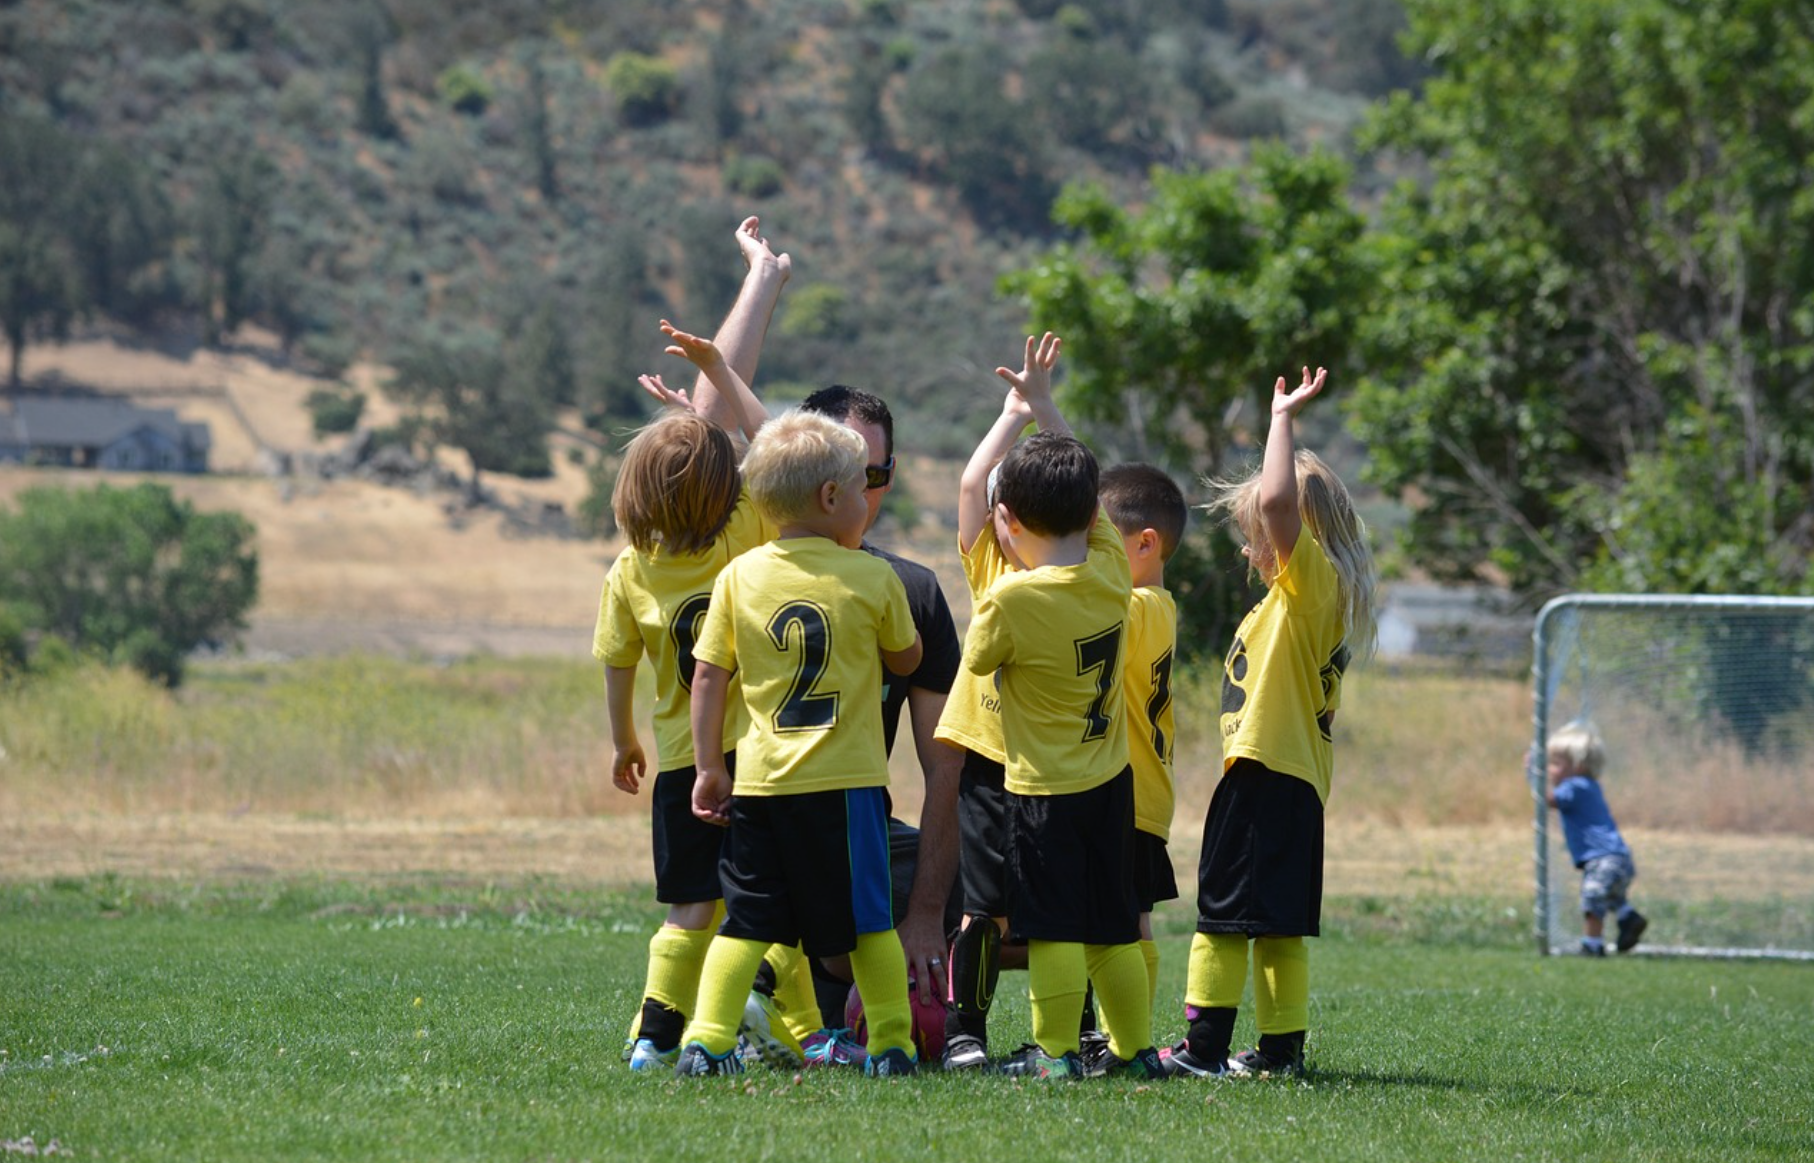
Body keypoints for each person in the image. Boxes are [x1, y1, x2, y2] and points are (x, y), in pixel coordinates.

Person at [675, 409, 926, 1077]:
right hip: (846, 788)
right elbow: (908, 658)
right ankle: (892, 1044)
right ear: (832, 497)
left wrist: (708, 767)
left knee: (747, 922)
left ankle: (707, 1041)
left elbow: (709, 675)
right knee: (869, 921)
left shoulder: (739, 576)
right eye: (863, 485)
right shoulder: (871, 577)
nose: (868, 499)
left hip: (762, 786)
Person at [1165, 367, 1378, 1080]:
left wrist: (1280, 417)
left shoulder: (1308, 585)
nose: (1249, 548)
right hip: (1292, 783)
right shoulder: (1297, 602)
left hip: (1265, 776)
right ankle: (1280, 1053)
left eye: (1255, 535)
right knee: (1279, 924)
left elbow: (1281, 499)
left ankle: (1201, 1051)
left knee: (1221, 917)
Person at [959, 333, 1163, 1081]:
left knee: (1051, 930)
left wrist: (1005, 549)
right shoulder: (1112, 572)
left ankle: (1053, 1056)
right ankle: (1134, 1051)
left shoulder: (1009, 599)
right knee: (1112, 928)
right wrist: (1046, 407)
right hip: (1110, 785)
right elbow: (1091, 495)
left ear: (1007, 519)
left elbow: (979, 661)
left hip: (1043, 793)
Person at [593, 324, 767, 1073]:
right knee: (765, 898)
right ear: (727, 491)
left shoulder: (630, 570)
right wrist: (720, 375)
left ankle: (653, 1036)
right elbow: (772, 441)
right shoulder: (744, 532)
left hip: (678, 763)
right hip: (753, 755)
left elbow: (616, 661)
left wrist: (622, 740)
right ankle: (743, 1028)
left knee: (690, 902)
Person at [1079, 463, 1187, 1074]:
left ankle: (1130, 1044)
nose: (1088, 552)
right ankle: (1128, 1041)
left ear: (1145, 544)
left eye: (1099, 540)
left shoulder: (1140, 607)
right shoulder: (1157, 605)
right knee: (1132, 917)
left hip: (1129, 793)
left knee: (1122, 924)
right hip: (1144, 792)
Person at [1545, 720, 1647, 957]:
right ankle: (1628, 918)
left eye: (1556, 764)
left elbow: (1550, 801)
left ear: (1579, 766)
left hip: (1603, 859)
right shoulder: (1590, 786)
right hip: (1618, 856)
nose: (1550, 770)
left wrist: (1532, 776)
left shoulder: (1574, 786)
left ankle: (1592, 944)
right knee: (1611, 897)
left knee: (1592, 897)